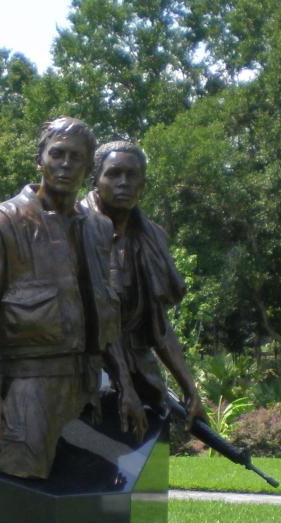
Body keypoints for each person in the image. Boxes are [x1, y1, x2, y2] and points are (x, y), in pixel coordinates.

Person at [0, 117, 146, 479]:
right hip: (29, 387)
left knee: (80, 503)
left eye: (76, 157)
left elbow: (104, 314)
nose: (65, 164)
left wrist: (125, 385)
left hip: (87, 389)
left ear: (88, 167)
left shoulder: (99, 228)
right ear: (40, 159)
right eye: (57, 154)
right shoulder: (3, 223)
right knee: (22, 492)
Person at [79, 140, 206, 428]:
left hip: (139, 365)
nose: (123, 182)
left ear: (143, 183)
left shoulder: (152, 238)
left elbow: (158, 324)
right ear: (95, 180)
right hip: (87, 368)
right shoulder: (74, 227)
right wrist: (123, 386)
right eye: (113, 174)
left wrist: (189, 387)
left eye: (132, 175)